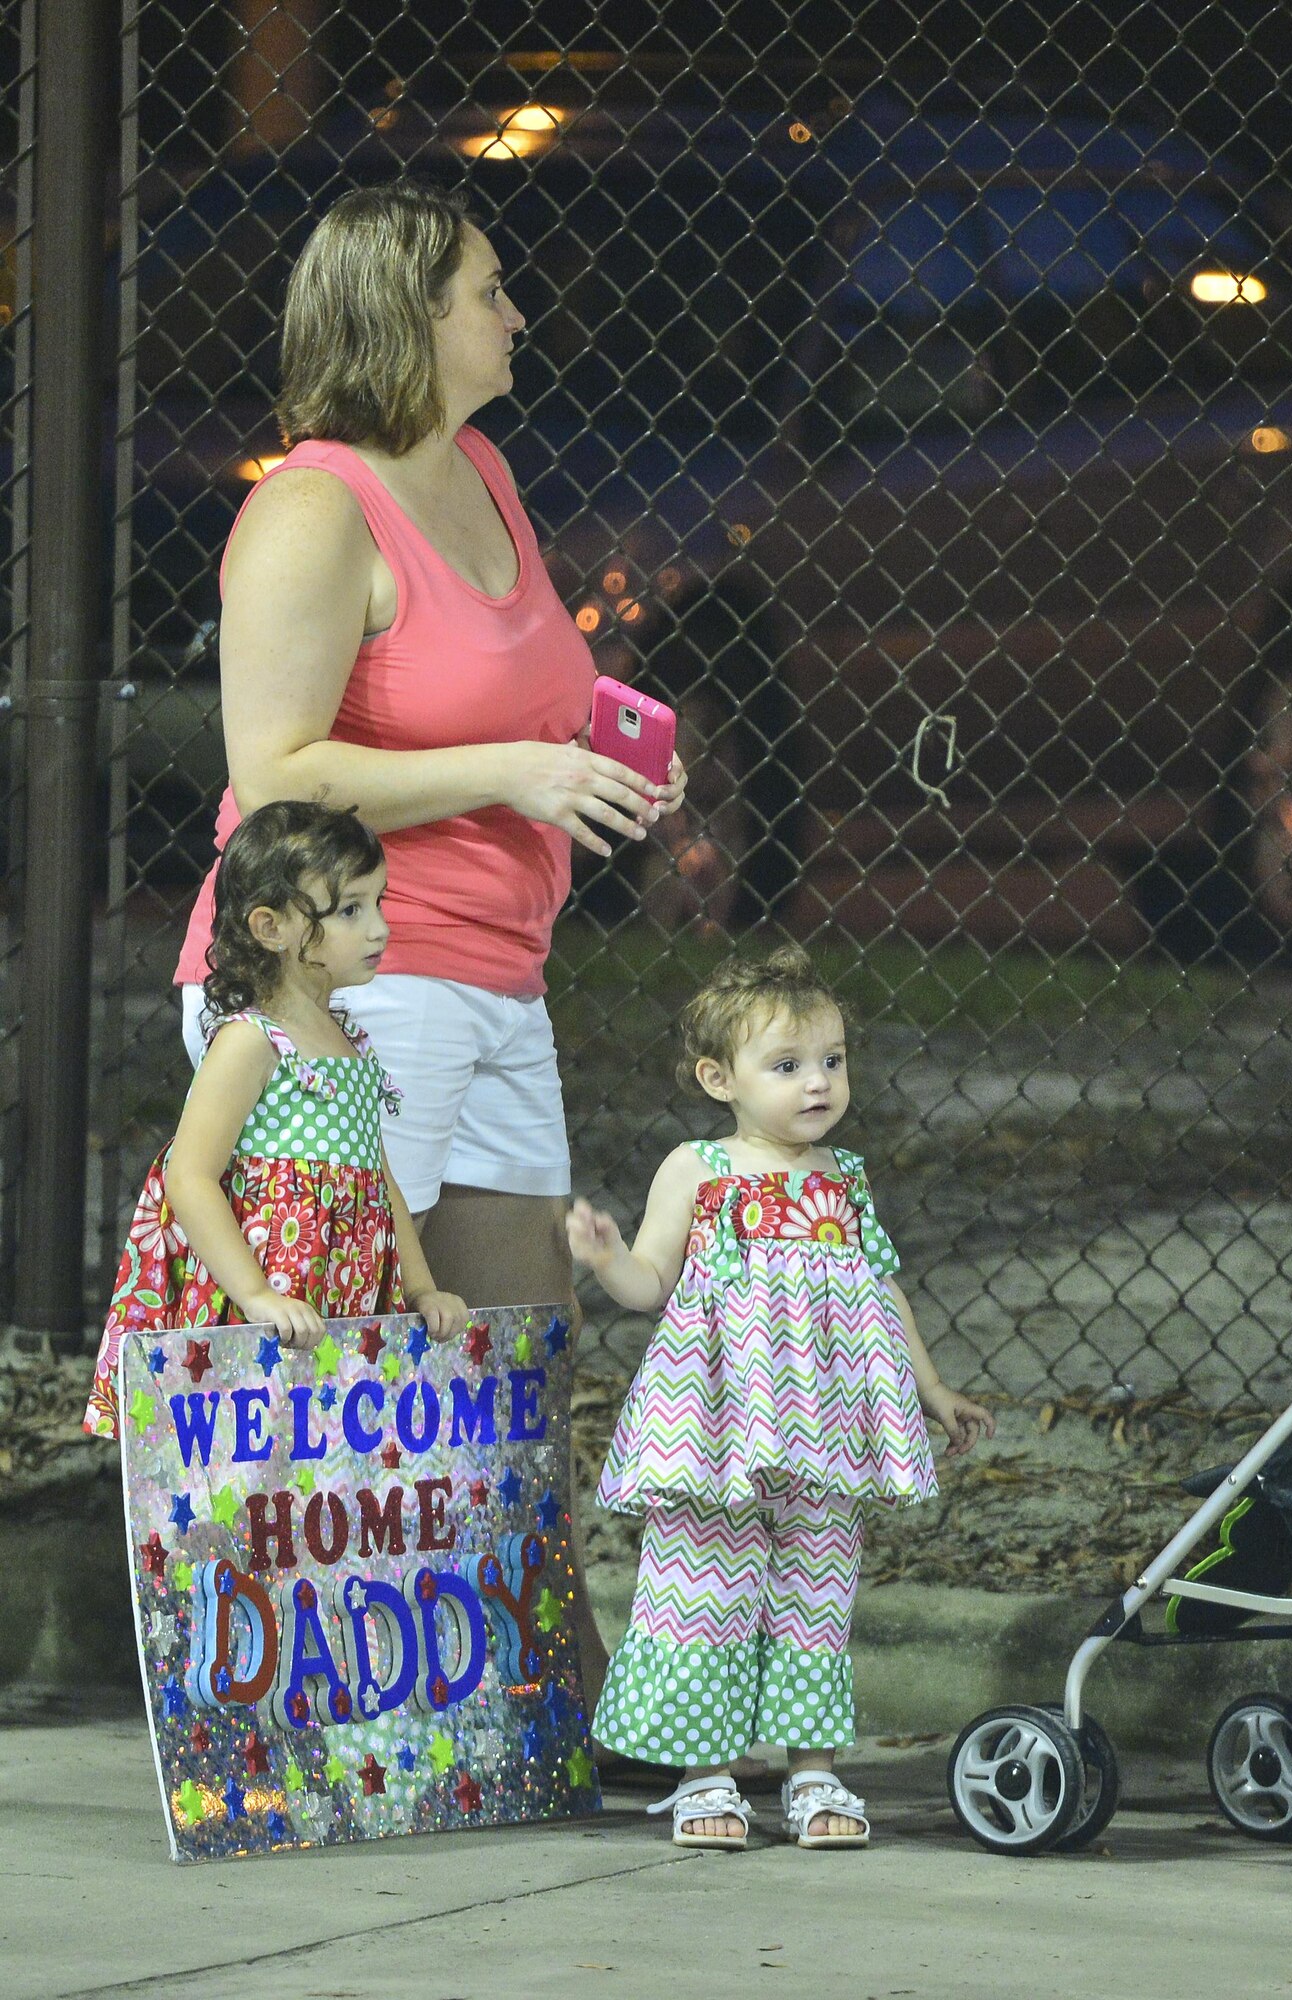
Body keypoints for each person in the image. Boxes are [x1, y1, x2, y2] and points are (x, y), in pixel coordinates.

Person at [169, 180, 686, 1694]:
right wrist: (511, 774)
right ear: (406, 317)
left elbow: (518, 700)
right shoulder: (312, 508)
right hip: (340, 991)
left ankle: (542, 1696)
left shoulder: (484, 472)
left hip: (491, 980)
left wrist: (605, 758)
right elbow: (276, 770)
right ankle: (289, 1691)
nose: (514, 313)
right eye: (485, 290)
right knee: (348, 1353)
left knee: (508, 1354)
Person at [566, 946, 995, 1849]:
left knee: (817, 1588)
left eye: (833, 1061)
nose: (818, 1084)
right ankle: (701, 1771)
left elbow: (881, 1289)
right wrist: (609, 1260)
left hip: (829, 1422)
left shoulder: (842, 1178)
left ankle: (813, 1770)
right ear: (719, 1077)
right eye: (789, 1066)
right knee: (702, 1587)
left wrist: (930, 1388)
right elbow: (653, 1279)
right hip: (718, 1421)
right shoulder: (697, 1167)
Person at [84, 801, 467, 1439]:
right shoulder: (252, 1042)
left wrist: (421, 1287)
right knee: (254, 1466)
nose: (379, 929)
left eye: (379, 903)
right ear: (271, 928)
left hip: (338, 1300)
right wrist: (256, 1294)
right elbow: (190, 1178)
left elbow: (378, 1183)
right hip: (264, 1306)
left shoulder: (349, 1039)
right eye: (350, 910)